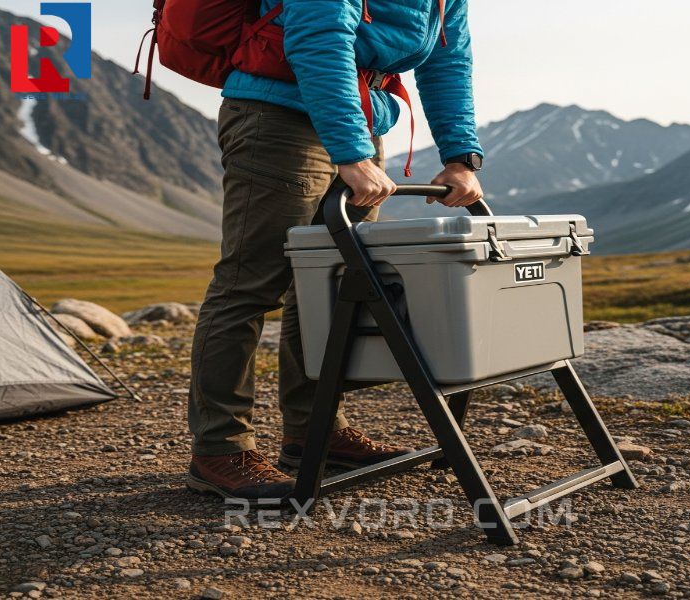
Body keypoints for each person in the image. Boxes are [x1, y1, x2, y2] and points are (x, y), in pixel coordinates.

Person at [187, 0, 485, 500]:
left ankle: (314, 432)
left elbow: (448, 58)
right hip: (281, 116)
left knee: (329, 287)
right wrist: (351, 151)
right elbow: (318, 37)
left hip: (360, 121)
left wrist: (460, 155)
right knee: (250, 284)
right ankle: (220, 448)